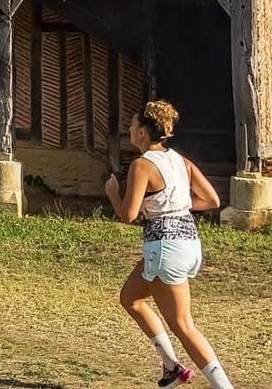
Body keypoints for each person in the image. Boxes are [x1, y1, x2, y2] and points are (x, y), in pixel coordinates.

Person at [106, 100, 235, 389]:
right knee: (130, 298)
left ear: (142, 132)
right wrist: (179, 207)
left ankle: (223, 387)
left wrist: (113, 193)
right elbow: (212, 200)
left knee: (183, 325)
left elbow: (128, 214)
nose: (129, 128)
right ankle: (171, 367)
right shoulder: (180, 161)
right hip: (187, 244)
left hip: (166, 248)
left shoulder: (142, 166)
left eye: (132, 124)